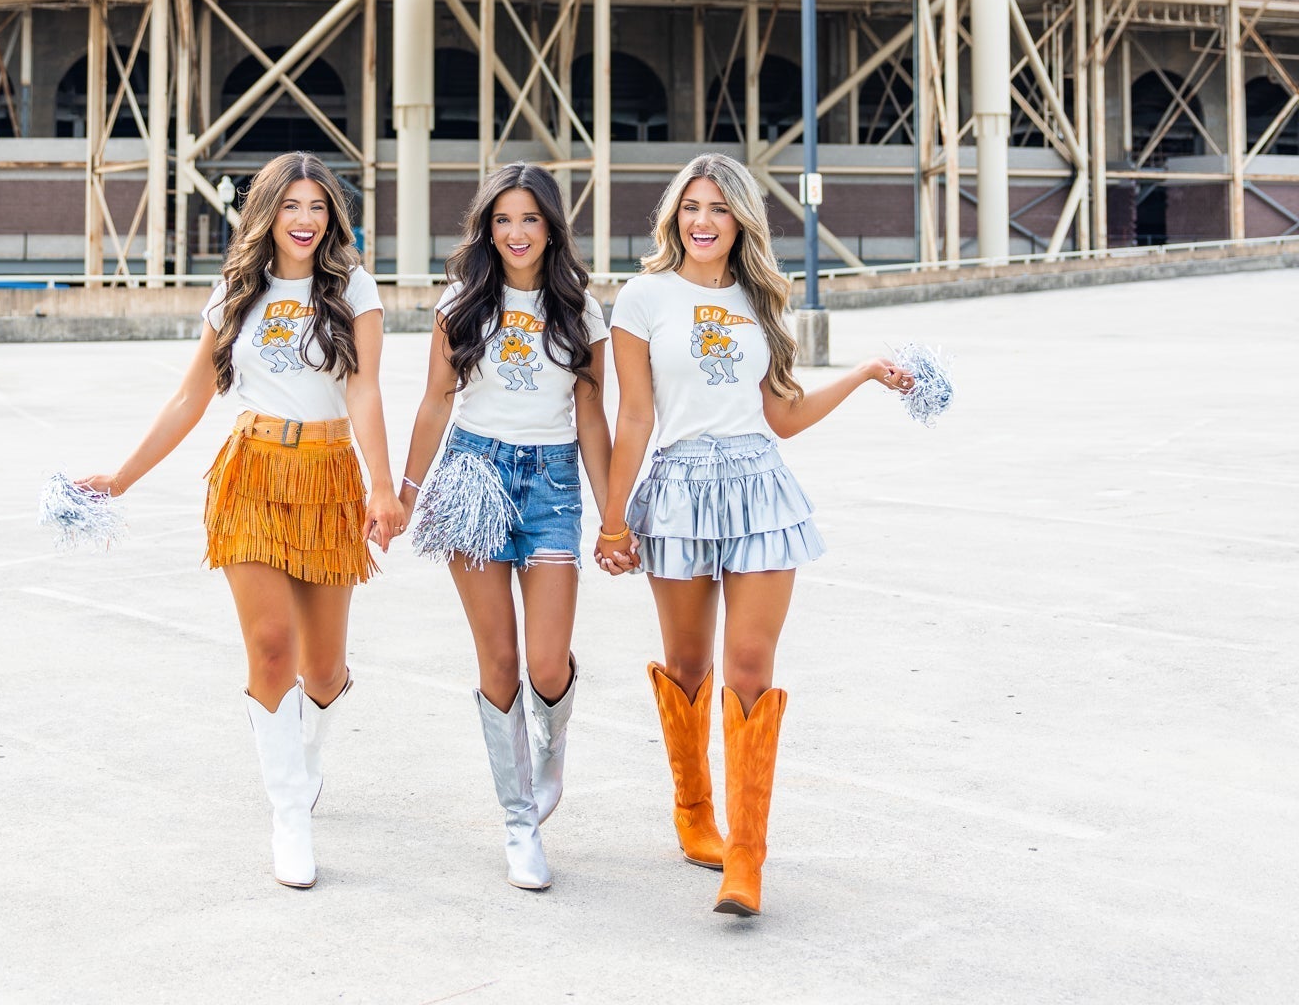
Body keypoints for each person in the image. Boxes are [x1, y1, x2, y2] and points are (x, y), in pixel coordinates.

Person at [595, 153, 913, 919]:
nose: (703, 221)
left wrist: (866, 372)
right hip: (676, 492)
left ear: (742, 220)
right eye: (691, 207)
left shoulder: (763, 299)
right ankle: (695, 814)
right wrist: (612, 518)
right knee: (687, 661)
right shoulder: (642, 297)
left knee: (748, 665)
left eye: (719, 208)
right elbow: (634, 415)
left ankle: (746, 856)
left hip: (760, 490)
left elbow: (784, 417)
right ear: (674, 215)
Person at [79, 151, 402, 892]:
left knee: (323, 669)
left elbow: (366, 393)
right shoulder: (235, 293)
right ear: (267, 213)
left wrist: (383, 487)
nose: (306, 220)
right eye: (291, 205)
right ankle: (290, 813)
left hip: (328, 480)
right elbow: (190, 399)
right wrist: (122, 477)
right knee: (269, 646)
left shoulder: (352, 287)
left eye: (318, 206)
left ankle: (306, 757)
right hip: (252, 471)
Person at [400, 163, 612, 892]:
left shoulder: (582, 310)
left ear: (551, 225)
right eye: (502, 220)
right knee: (498, 662)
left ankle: (549, 754)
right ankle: (519, 821)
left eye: (529, 219)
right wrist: (403, 490)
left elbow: (592, 417)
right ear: (487, 228)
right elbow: (435, 402)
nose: (516, 233)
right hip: (472, 477)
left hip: (552, 484)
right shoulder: (462, 301)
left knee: (547, 664)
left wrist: (613, 517)